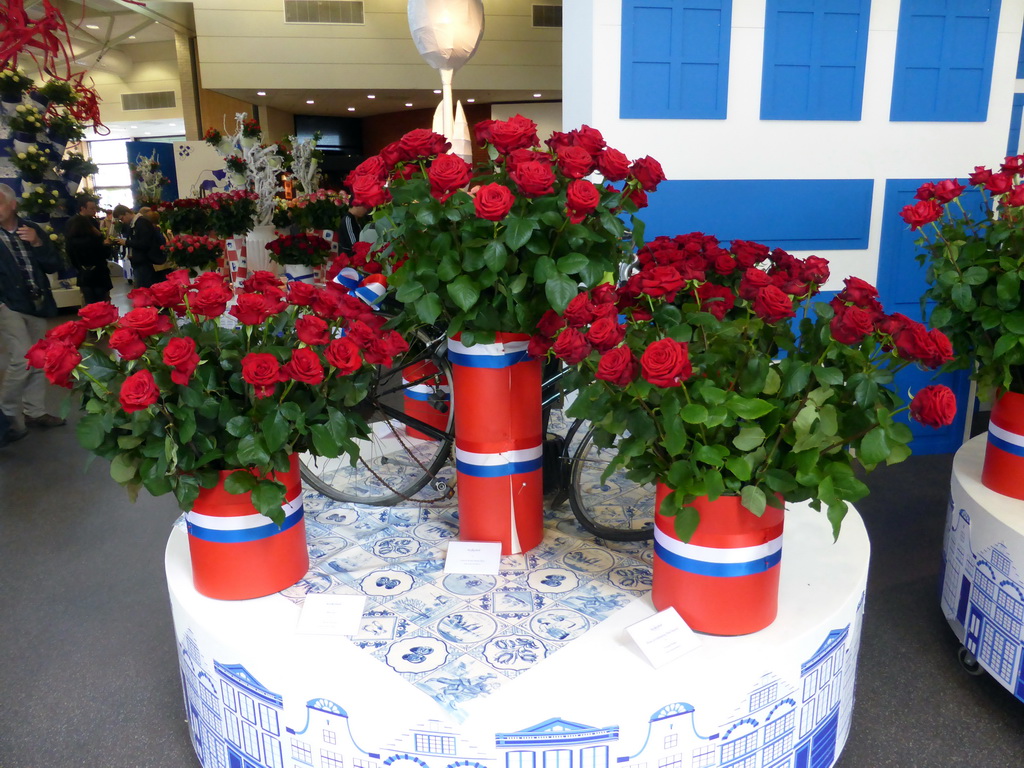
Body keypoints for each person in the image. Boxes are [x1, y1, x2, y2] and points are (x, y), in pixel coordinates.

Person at [0, 183, 67, 440]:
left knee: (39, 359)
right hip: (8, 306)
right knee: (22, 358)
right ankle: (5, 417)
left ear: (12, 204)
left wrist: (39, 243)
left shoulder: (31, 229)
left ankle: (35, 412)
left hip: (36, 303)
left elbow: (53, 265)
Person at [65, 194, 113, 304]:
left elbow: (70, 251)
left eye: (95, 208)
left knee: (89, 302)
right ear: (82, 208)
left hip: (84, 272)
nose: (95, 211)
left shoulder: (75, 223)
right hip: (97, 271)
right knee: (102, 304)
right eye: (92, 208)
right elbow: (101, 250)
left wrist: (79, 267)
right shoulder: (83, 225)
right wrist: (105, 243)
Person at [114, 204, 166, 288]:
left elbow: (145, 243)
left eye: (122, 218)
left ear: (127, 213)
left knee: (144, 290)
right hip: (139, 263)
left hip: (145, 263)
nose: (122, 221)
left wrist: (127, 242)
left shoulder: (142, 223)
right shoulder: (133, 224)